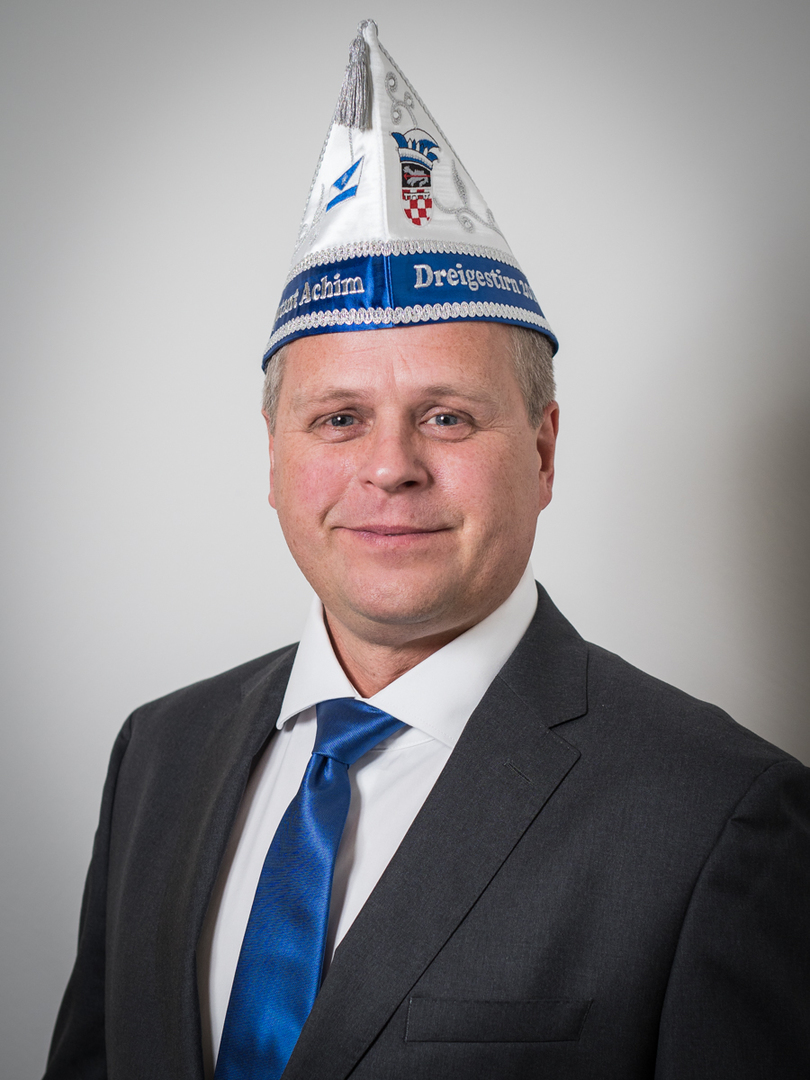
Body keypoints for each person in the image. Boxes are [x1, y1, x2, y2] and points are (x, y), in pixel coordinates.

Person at [44, 20, 810, 1080]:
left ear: (542, 451)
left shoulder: (718, 815)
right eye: (339, 420)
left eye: (447, 417)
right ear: (274, 459)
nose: (391, 468)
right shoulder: (159, 754)